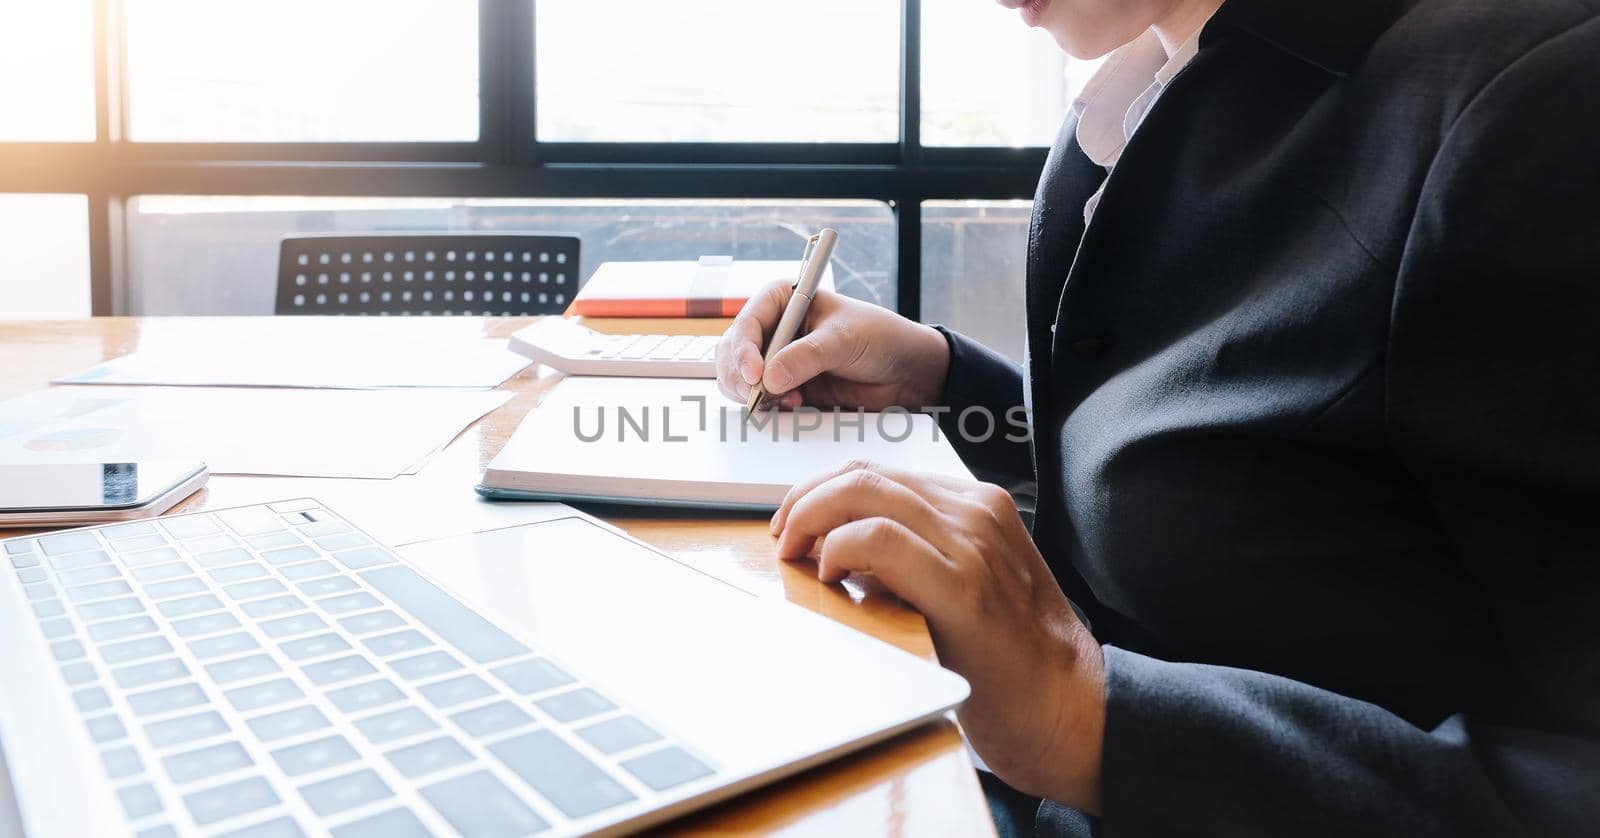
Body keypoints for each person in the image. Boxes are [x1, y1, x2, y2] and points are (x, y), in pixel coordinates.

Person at [714, 0, 1600, 834]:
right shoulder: (1142, 77)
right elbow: (1249, 476)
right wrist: (945, 382)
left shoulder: (1535, 102)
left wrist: (1092, 721)